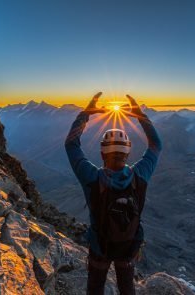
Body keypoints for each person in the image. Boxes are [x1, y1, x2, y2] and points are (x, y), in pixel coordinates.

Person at [65, 92, 162, 295]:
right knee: (127, 287)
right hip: (129, 246)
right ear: (128, 153)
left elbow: (71, 145)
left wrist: (85, 114)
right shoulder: (140, 176)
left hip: (100, 247)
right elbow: (156, 145)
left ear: (102, 153)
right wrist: (140, 115)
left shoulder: (91, 178)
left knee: (95, 287)